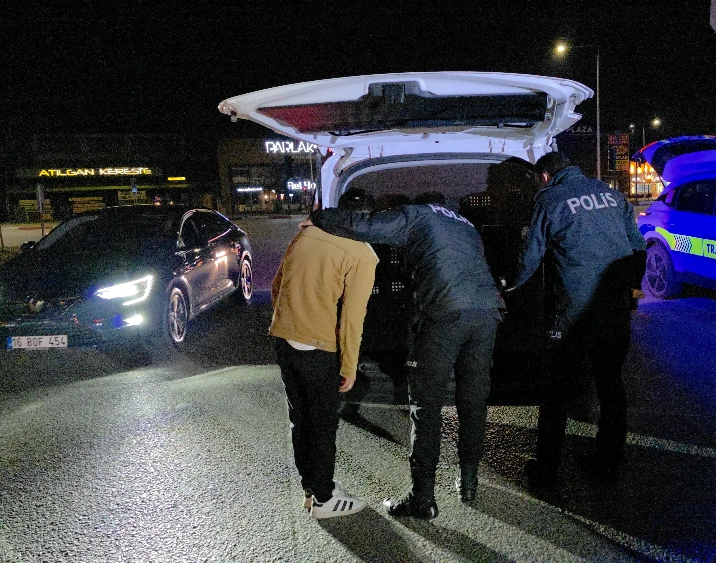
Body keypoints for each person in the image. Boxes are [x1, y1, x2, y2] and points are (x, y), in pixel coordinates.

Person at [303, 190, 504, 520]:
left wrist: (320, 216)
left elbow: (365, 225)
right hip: (487, 313)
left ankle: (422, 499)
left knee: (426, 405)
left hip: (445, 313)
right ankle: (468, 482)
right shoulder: (464, 224)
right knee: (473, 401)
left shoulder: (417, 215)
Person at [505, 151, 646, 493]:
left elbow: (528, 259)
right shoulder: (611, 194)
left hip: (573, 317)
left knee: (557, 391)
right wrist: (628, 291)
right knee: (611, 387)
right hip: (613, 311)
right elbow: (639, 249)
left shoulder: (550, 200)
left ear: (544, 176)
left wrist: (504, 284)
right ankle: (607, 462)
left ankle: (547, 470)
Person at [269, 187, 379, 519]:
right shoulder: (362, 254)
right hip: (317, 345)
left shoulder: (306, 234)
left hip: (283, 335)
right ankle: (324, 498)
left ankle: (311, 488)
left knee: (300, 418)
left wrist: (291, 319)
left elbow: (276, 286)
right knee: (322, 423)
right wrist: (349, 366)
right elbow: (352, 318)